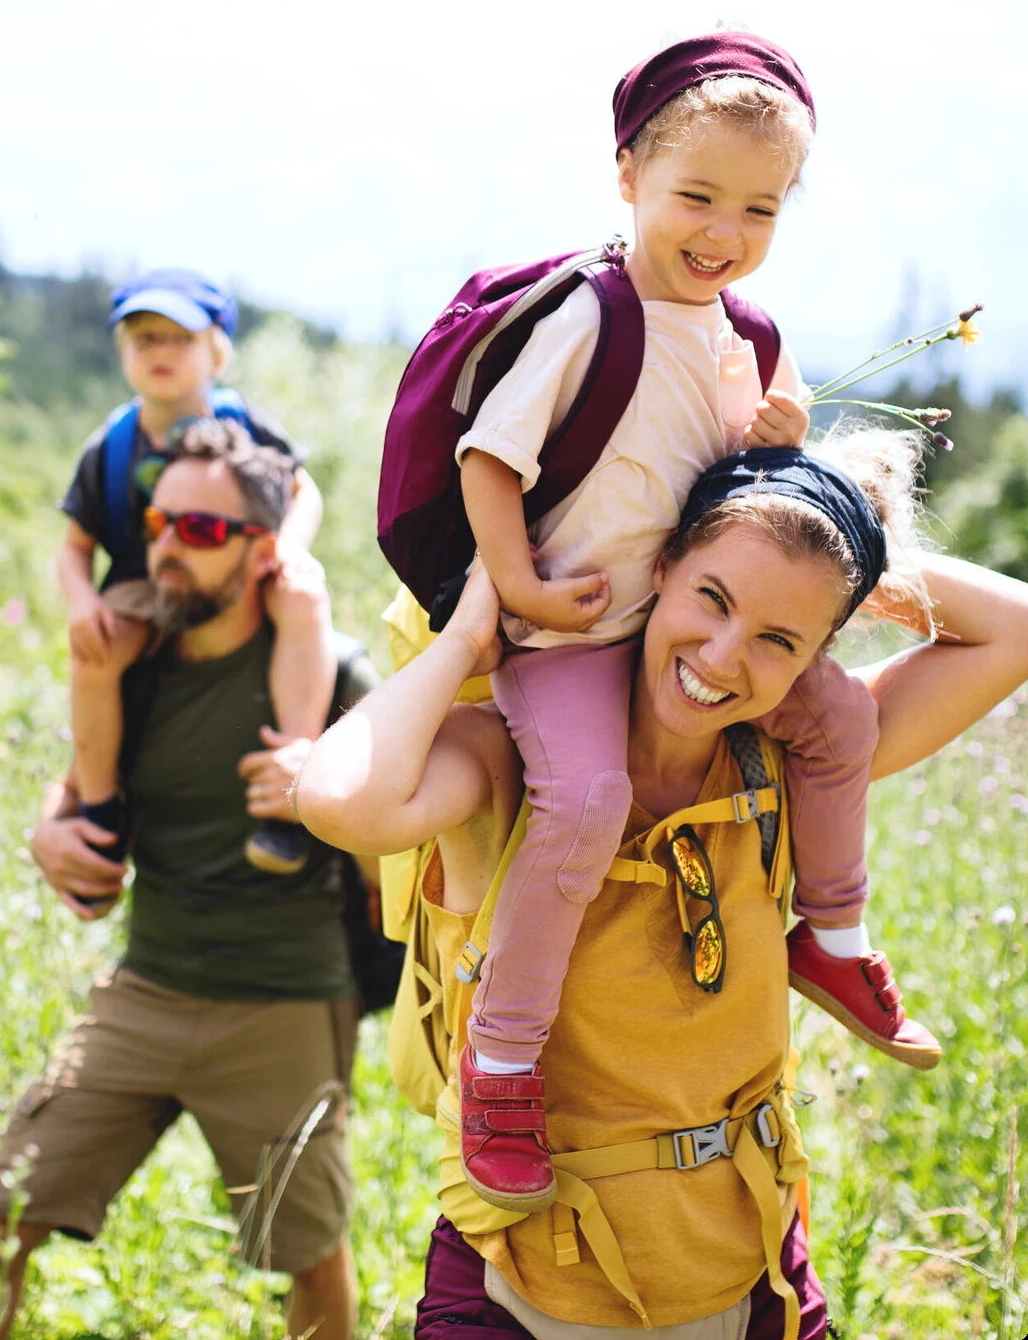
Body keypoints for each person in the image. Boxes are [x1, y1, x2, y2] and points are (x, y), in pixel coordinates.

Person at [296, 430, 1028, 1338]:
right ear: (661, 566)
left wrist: (826, 540)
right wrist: (467, 640)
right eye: (712, 597)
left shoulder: (792, 766)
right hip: (520, 1287)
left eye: (779, 639)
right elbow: (340, 803)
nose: (722, 656)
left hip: (753, 1279)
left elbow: (1015, 627)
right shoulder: (510, 761)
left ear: (816, 655)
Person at [440, 32, 934, 1209]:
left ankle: (833, 933)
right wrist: (518, 589)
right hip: (572, 633)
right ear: (628, 175)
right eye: (697, 196)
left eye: (759, 209)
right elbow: (489, 458)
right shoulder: (589, 315)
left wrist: (779, 433)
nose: (724, 231)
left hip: (679, 623)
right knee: (585, 800)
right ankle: (501, 1059)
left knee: (838, 719)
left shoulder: (745, 335)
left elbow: (760, 484)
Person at [0, 421, 378, 1340]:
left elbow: (404, 849)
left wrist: (328, 793)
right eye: (157, 523)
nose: (168, 547)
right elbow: (72, 794)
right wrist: (46, 836)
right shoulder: (132, 662)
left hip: (285, 1000)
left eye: (202, 529)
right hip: (146, 989)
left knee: (307, 1250)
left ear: (262, 552)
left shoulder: (333, 672)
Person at [59, 268, 333, 877]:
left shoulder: (245, 424)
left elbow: (303, 490)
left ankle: (291, 774)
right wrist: (82, 602)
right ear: (122, 351)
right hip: (143, 581)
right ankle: (101, 809)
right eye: (144, 338)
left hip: (239, 567)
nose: (161, 352)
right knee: (94, 654)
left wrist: (290, 548)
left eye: (180, 338)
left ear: (217, 354)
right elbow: (74, 546)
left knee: (304, 596)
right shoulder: (111, 446)